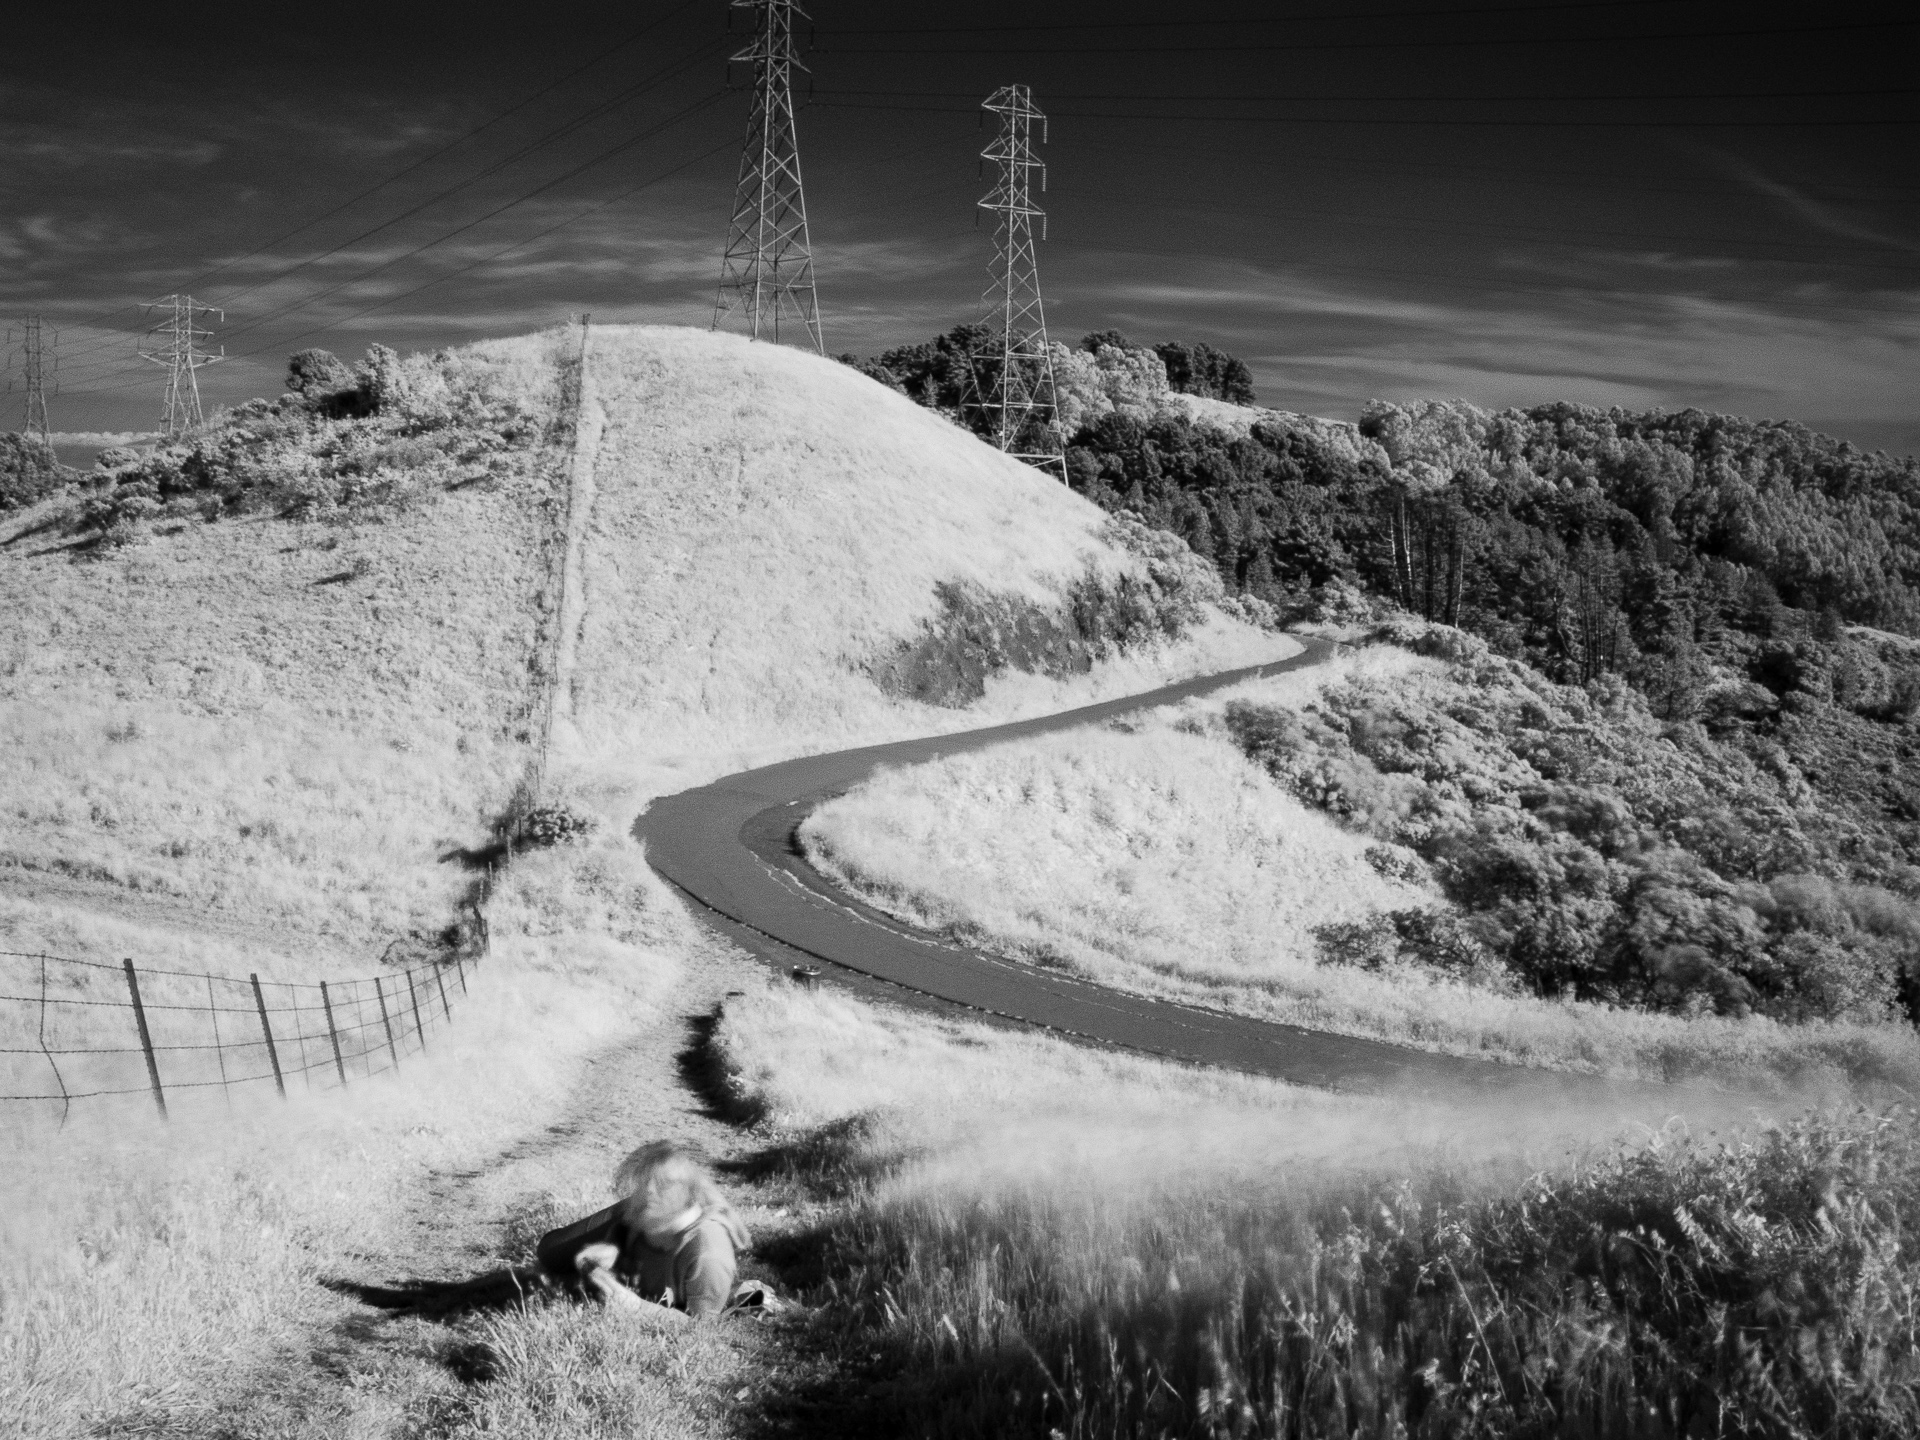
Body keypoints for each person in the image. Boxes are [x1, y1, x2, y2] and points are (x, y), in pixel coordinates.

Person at [535, 1140, 751, 1322]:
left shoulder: (708, 1254)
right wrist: (613, 1245)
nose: (649, 1191)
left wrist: (637, 1307)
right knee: (550, 1251)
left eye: (663, 1185)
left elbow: (703, 1326)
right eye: (645, 1182)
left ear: (689, 1193)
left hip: (665, 1220)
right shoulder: (649, 1208)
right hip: (643, 1218)